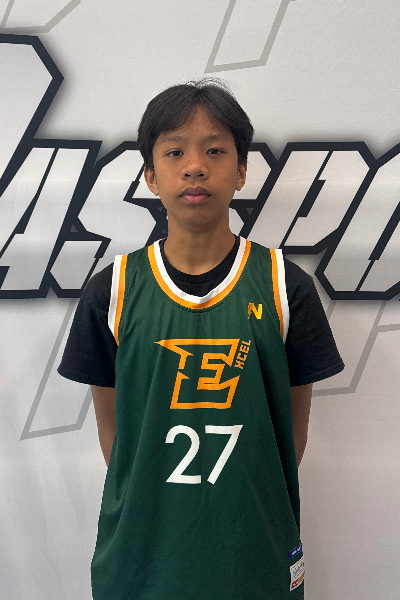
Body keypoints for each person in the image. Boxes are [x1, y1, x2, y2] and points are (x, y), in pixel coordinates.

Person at [58, 79, 344, 600]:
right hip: (141, 556)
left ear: (241, 170)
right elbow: (115, 435)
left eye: (215, 151)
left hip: (253, 551)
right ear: (150, 175)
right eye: (175, 152)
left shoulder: (285, 287)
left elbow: (291, 432)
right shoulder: (112, 291)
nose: (195, 166)